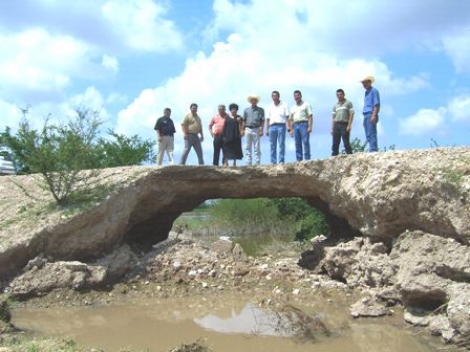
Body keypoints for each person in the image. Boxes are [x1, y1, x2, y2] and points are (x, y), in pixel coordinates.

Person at [288, 90, 313, 161]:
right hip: (296, 125)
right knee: (297, 143)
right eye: (295, 96)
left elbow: (310, 116)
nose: (296, 97)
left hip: (304, 124)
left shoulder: (306, 105)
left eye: (297, 95)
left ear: (301, 96)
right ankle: (299, 159)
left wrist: (310, 126)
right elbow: (290, 119)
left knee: (305, 141)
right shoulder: (293, 107)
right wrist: (291, 129)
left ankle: (307, 159)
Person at [266, 90, 289, 164]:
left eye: (276, 96)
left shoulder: (284, 105)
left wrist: (289, 127)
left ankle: (281, 161)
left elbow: (288, 117)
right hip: (272, 126)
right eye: (273, 96)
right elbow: (268, 118)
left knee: (281, 144)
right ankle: (273, 161)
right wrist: (267, 129)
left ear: (278, 96)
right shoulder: (269, 106)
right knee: (272, 145)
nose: (274, 97)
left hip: (281, 125)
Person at [242, 94, 265, 165]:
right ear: (250, 101)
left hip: (256, 129)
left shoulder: (261, 110)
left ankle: (257, 162)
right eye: (252, 100)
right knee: (247, 147)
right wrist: (242, 130)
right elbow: (244, 120)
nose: (253, 101)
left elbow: (262, 121)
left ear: (257, 101)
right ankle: (248, 162)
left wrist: (261, 130)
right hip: (248, 128)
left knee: (256, 147)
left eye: (255, 100)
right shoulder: (246, 110)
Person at [331, 89, 354, 156]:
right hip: (336, 124)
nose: (339, 96)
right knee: (335, 143)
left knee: (346, 142)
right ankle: (334, 157)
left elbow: (351, 114)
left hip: (344, 124)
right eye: (338, 95)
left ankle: (350, 155)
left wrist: (349, 125)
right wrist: (332, 129)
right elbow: (333, 118)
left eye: (341, 94)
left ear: (343, 94)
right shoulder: (335, 105)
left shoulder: (348, 103)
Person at [361, 75, 380, 152]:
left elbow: (376, 104)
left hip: (371, 113)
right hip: (366, 114)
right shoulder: (366, 92)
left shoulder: (374, 91)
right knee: (368, 133)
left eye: (365, 83)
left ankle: (373, 149)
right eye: (363, 83)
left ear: (369, 82)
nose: (364, 85)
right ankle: (371, 148)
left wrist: (374, 115)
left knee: (372, 132)